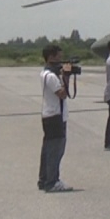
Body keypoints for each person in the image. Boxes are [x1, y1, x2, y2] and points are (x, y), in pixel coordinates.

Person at [38, 45, 73, 192]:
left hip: (49, 115)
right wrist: (66, 77)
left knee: (47, 150)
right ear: (51, 57)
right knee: (55, 151)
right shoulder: (51, 77)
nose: (61, 60)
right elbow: (62, 94)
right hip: (55, 116)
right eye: (59, 56)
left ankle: (44, 179)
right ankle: (52, 182)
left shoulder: (44, 73)